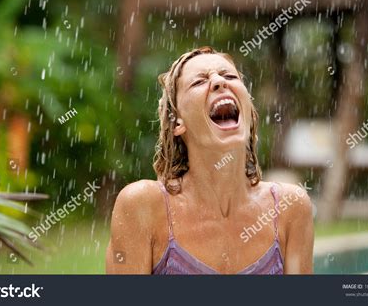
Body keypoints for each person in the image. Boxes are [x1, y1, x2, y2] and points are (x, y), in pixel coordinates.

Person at [106, 46, 314, 274]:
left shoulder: (289, 208)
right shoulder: (142, 207)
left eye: (229, 76)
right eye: (198, 82)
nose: (219, 82)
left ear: (248, 111)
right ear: (177, 123)